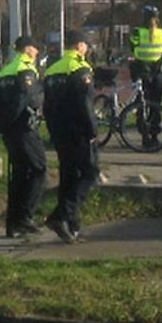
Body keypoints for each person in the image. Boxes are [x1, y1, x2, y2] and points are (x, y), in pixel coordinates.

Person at [42, 29, 98, 244]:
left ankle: (72, 226)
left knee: (68, 176)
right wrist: (92, 131)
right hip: (78, 131)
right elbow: (85, 105)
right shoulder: (80, 68)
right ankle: (61, 215)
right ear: (79, 46)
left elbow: (46, 106)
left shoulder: (52, 70)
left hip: (59, 131)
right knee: (90, 172)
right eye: (86, 45)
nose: (88, 49)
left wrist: (52, 130)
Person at [0, 35, 47, 238]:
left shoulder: (5, 70)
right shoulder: (26, 69)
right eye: (35, 48)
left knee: (19, 174)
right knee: (38, 169)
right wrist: (14, 122)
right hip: (23, 129)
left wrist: (0, 125)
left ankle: (12, 222)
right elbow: (22, 100)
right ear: (27, 49)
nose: (37, 52)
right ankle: (25, 216)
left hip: (9, 132)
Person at [128, 5, 162, 148]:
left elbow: (133, 48)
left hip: (141, 70)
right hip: (158, 71)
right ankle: (154, 135)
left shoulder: (137, 32)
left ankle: (144, 135)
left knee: (142, 104)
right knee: (156, 104)